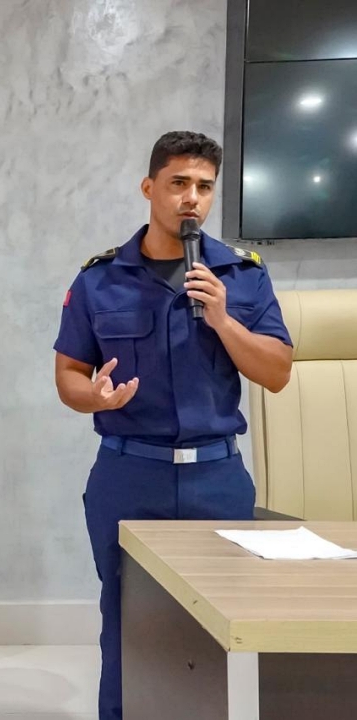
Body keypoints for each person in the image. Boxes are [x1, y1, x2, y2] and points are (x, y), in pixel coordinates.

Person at [53, 131, 293, 720]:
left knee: (224, 627)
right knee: (128, 621)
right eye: (178, 183)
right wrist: (95, 397)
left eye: (204, 187)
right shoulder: (100, 280)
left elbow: (278, 372)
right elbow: (69, 376)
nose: (192, 198)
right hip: (129, 477)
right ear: (149, 187)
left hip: (217, 478)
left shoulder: (242, 275)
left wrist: (223, 320)